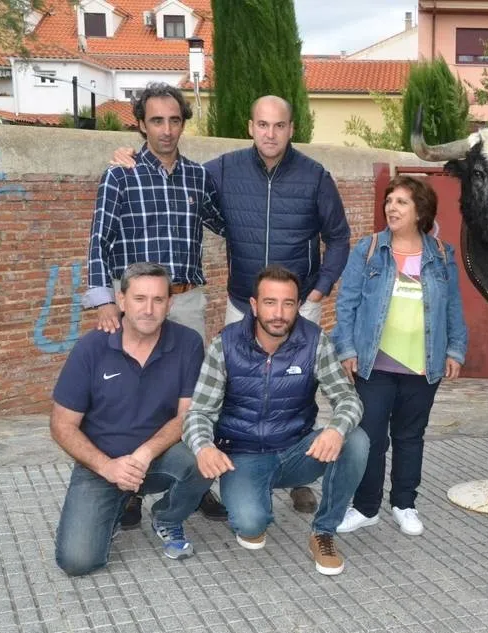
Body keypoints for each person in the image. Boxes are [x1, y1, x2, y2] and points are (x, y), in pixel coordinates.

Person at [113, 94, 352, 516]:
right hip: (243, 302)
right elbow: (175, 177)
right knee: (232, 392)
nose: (270, 133)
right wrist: (131, 157)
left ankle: (296, 473)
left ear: (292, 129)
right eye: (263, 125)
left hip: (298, 304)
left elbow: (339, 236)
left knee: (300, 389)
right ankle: (222, 466)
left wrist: (320, 289)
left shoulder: (315, 176)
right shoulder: (222, 170)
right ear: (250, 127)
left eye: (279, 125)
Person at [86, 81, 227, 526]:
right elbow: (98, 240)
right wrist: (105, 302)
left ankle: (197, 479)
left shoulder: (197, 177)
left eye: (174, 120)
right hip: (137, 306)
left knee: (195, 397)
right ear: (141, 124)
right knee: (135, 396)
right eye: (156, 121)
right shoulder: (120, 173)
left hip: (186, 302)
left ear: (184, 123)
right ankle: (130, 489)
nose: (166, 130)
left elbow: (228, 223)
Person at [182, 265, 368, 576]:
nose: (278, 313)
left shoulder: (315, 341)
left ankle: (323, 532)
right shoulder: (224, 345)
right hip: (243, 454)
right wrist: (203, 447)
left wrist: (336, 430)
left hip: (296, 451)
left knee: (357, 440)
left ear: (298, 306)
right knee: (250, 524)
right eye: (270, 302)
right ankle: (255, 501)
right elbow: (199, 412)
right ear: (254, 305)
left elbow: (348, 398)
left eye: (288, 303)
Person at [52, 263, 212, 576]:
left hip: (158, 455)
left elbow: (188, 415)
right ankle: (116, 502)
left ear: (170, 303)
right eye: (139, 299)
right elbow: (61, 425)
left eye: (158, 299)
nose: (149, 309)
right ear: (121, 301)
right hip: (102, 462)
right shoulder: (91, 348)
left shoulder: (188, 343)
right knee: (77, 561)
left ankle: (166, 517)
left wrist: (144, 453)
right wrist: (106, 466)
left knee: (206, 454)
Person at [332, 175, 468, 536]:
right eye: (390, 200)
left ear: (420, 210)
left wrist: (456, 348)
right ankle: (366, 507)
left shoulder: (441, 254)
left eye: (402, 202)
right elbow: (346, 304)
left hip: (423, 366)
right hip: (374, 363)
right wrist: (345, 349)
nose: (392, 207)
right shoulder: (369, 248)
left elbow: (453, 305)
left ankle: (404, 504)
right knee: (370, 436)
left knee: (410, 436)